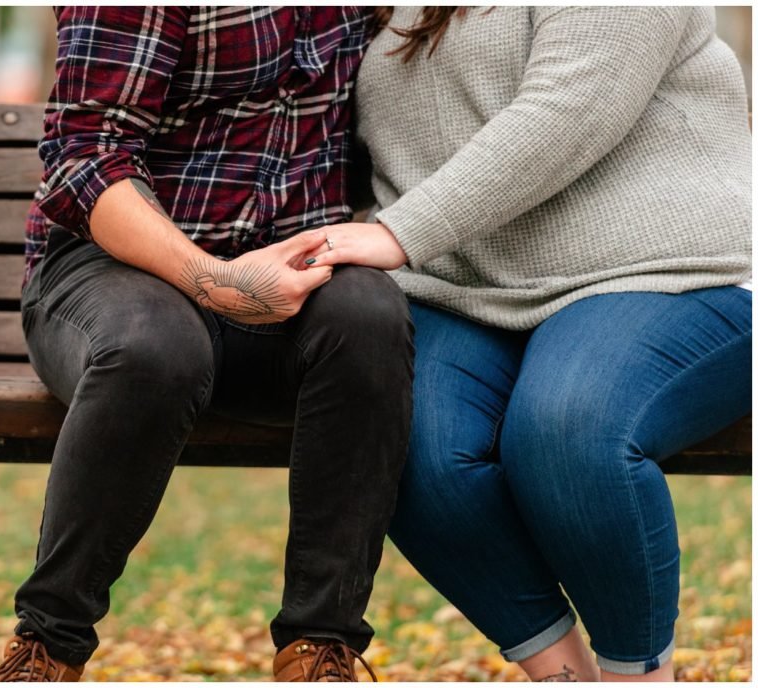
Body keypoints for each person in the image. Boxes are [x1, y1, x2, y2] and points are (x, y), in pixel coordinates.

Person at [304, 6, 751, 682]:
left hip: (664, 272)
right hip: (460, 285)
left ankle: (637, 674)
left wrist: (398, 232)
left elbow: (567, 110)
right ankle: (560, 672)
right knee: (394, 436)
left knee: (567, 430)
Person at [0, 7, 413, 682]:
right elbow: (85, 161)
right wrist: (215, 283)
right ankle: (49, 646)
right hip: (113, 271)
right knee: (157, 348)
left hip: (288, 275)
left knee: (370, 314)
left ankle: (320, 648)